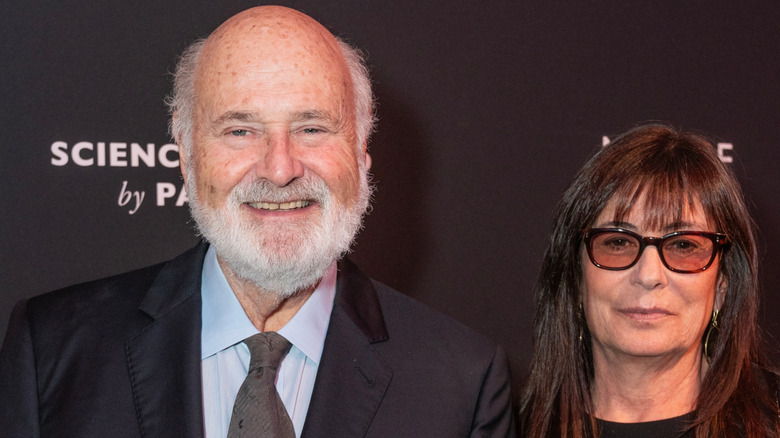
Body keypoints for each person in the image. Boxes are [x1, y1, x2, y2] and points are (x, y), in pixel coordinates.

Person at [0, 6, 514, 437]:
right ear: (185, 157)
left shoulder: (461, 382)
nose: (280, 168)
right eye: (240, 131)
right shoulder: (52, 350)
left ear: (360, 152)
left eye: (312, 128)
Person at [519, 123, 780, 437]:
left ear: (722, 283)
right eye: (618, 242)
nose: (649, 275)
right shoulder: (509, 427)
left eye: (684, 245)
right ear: (575, 277)